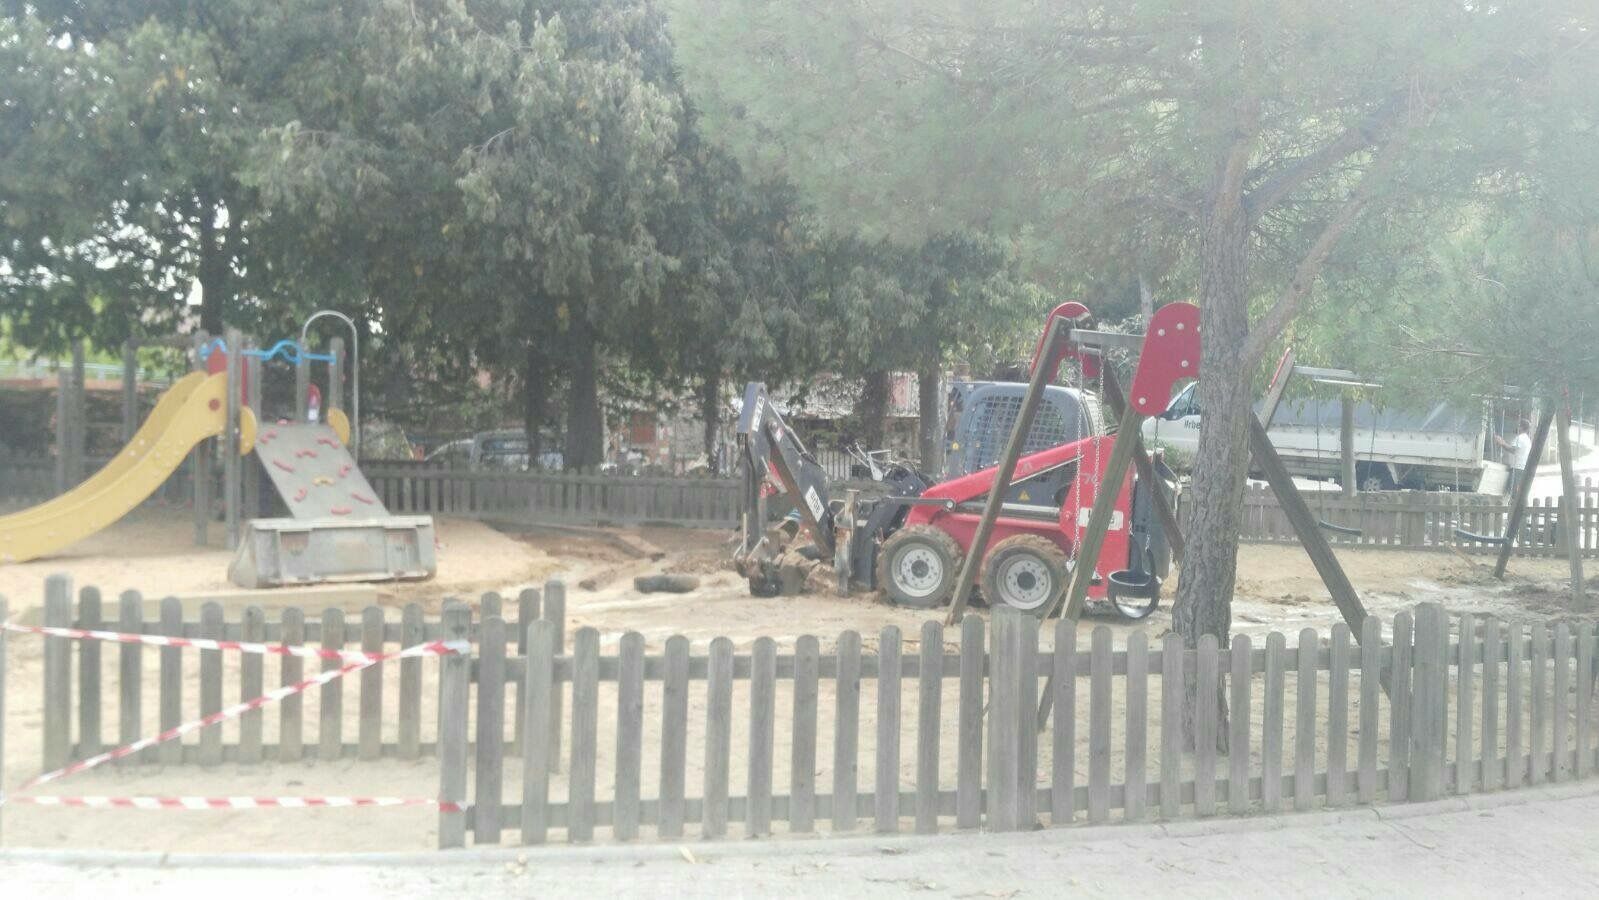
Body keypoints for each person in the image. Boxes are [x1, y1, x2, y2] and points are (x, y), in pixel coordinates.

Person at [1494, 417, 1533, 497]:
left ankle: (1515, 503)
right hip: (1521, 467)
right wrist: (1503, 443)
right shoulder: (1526, 438)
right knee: (1516, 490)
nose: (1516, 427)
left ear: (1521, 427)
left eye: (1518, 425)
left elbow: (1512, 450)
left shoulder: (1520, 438)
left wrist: (1501, 442)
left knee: (1513, 491)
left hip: (1517, 468)